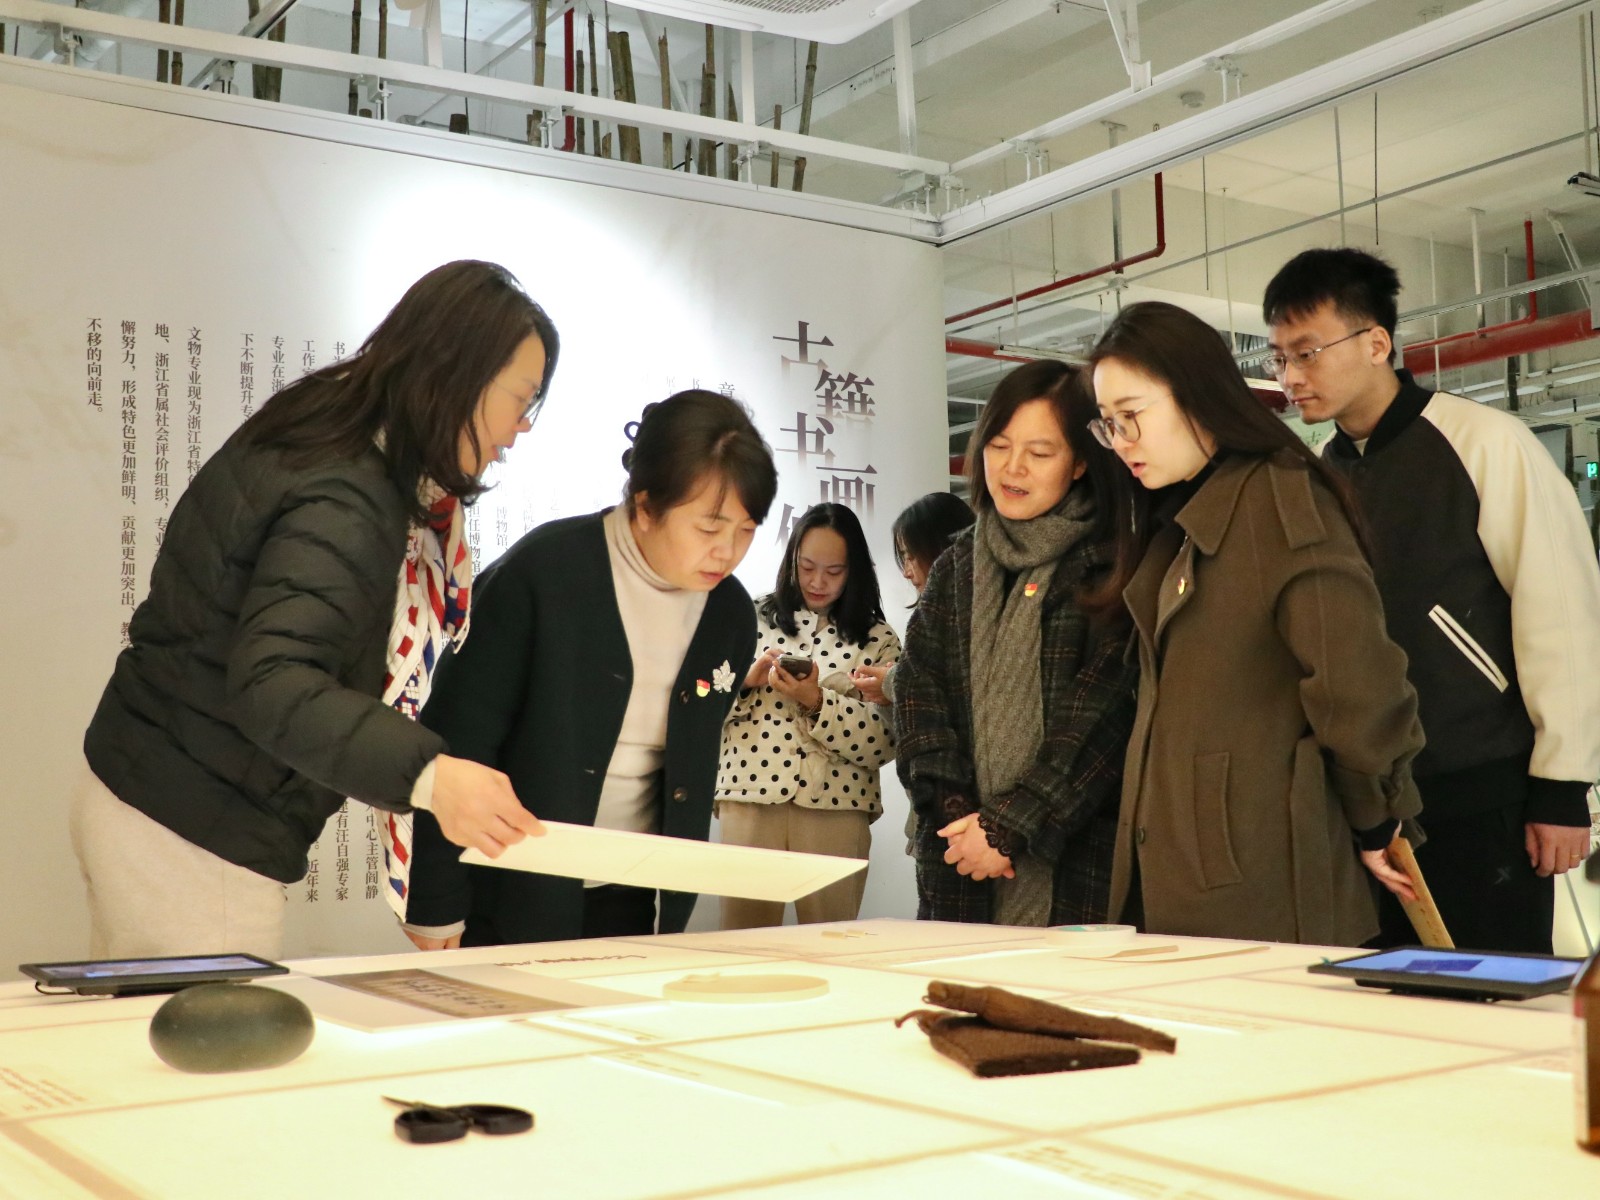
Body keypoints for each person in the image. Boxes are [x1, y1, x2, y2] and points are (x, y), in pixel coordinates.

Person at [77, 260, 558, 959]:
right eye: (522, 398)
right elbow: (274, 681)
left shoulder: (331, 433)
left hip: (154, 793)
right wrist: (431, 777)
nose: (521, 428)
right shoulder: (348, 494)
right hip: (191, 826)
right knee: (213, 1032)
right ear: (460, 371)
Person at [1264, 247, 1600, 953]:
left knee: (1497, 994)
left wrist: (1563, 785)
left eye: (1308, 353)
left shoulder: (1484, 444)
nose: (1291, 377)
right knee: (1389, 997)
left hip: (1487, 790)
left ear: (1376, 343)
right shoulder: (1321, 476)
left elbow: (1562, 615)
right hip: (1377, 809)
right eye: (1279, 358)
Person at [1088, 300, 1425, 946]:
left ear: (1197, 395)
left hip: (1259, 876)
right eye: (1108, 423)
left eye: (1132, 415)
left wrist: (1378, 816)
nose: (1122, 440)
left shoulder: (1279, 498)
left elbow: (1355, 680)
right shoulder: (1181, 515)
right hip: (1184, 870)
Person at [403, 390, 777, 947]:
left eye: (746, 531)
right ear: (645, 507)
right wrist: (433, 905)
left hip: (630, 886)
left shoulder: (729, 615)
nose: (727, 551)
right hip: (509, 881)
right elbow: (455, 744)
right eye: (708, 528)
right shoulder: (544, 574)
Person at [893, 360, 1139, 927]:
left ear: (1080, 461)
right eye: (999, 445)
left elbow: (1100, 719)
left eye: (1040, 452)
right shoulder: (956, 564)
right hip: (957, 855)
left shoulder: (1112, 563)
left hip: (1074, 859)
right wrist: (959, 816)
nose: (1013, 467)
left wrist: (1008, 827)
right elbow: (917, 690)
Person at [716, 503, 900, 928]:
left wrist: (818, 701)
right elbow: (697, 702)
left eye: (834, 571)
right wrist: (745, 682)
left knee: (829, 944)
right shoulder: (747, 617)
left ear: (854, 571)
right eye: (807, 567)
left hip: (837, 806)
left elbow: (886, 741)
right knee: (744, 946)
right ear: (791, 560)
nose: (818, 582)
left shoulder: (877, 638)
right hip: (749, 796)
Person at [852, 492, 974, 708]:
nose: (906, 573)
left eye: (910, 557)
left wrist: (894, 682)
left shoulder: (975, 615)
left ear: (941, 551)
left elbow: (959, 690)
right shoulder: (933, 619)